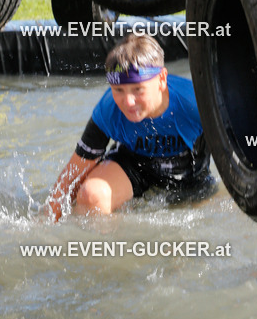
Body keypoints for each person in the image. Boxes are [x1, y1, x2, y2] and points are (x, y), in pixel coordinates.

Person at [44, 34, 212, 219]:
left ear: (162, 79)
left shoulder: (196, 103)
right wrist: (45, 225)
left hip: (190, 179)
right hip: (134, 167)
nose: (128, 102)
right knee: (91, 197)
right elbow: (71, 177)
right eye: (118, 90)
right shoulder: (108, 110)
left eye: (138, 89)